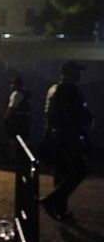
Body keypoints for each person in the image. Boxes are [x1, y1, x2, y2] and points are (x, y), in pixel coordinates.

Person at [40, 61, 94, 221]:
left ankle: (60, 210)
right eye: (77, 71)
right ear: (69, 72)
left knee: (62, 171)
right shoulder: (70, 90)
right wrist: (86, 119)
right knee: (79, 170)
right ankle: (52, 201)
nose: (80, 75)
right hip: (68, 136)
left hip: (56, 136)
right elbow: (74, 115)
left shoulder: (54, 89)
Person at [2, 77, 32, 162]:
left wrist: (6, 117)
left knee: (13, 138)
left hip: (16, 120)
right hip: (25, 120)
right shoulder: (27, 94)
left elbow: (11, 108)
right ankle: (22, 157)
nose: (11, 86)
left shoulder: (16, 94)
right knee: (23, 139)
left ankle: (12, 157)